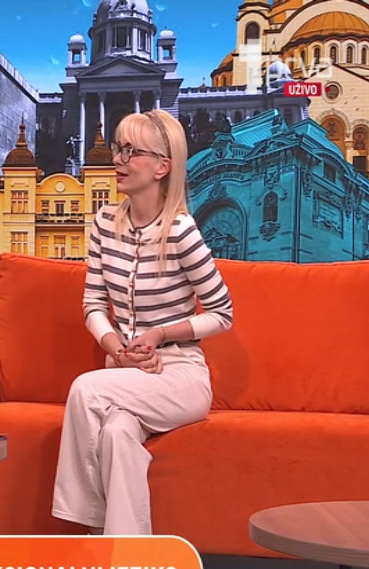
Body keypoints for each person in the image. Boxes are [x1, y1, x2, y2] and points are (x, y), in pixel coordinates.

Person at [51, 109, 234, 536]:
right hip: (127, 370)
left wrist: (159, 334)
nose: (118, 159)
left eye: (131, 152)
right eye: (119, 148)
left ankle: (86, 522)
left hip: (180, 374)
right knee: (116, 434)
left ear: (161, 167)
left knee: (85, 389)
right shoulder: (103, 225)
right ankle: (129, 559)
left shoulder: (182, 232)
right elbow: (93, 303)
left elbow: (223, 314)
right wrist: (118, 350)